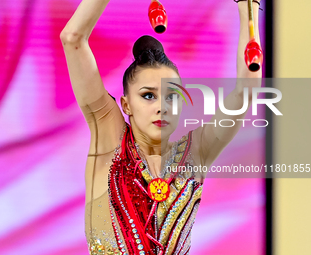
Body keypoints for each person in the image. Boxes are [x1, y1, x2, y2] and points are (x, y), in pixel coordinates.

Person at [60, 0, 262, 254]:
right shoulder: (110, 137)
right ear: (126, 104)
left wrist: (248, 8)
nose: (162, 107)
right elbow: (72, 38)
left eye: (171, 96)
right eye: (148, 95)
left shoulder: (194, 153)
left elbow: (245, 91)